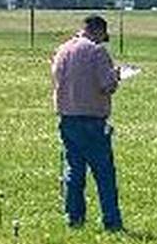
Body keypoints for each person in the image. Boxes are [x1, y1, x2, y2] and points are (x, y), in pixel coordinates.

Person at [51, 15, 123, 231]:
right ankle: (111, 220)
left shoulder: (62, 50)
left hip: (67, 117)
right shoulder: (97, 51)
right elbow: (106, 85)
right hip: (92, 119)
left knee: (73, 170)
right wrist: (116, 76)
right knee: (104, 173)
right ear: (99, 31)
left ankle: (74, 218)